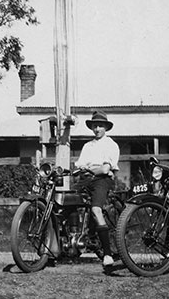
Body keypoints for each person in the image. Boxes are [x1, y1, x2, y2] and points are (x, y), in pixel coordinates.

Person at [73, 110, 120, 267]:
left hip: (102, 181)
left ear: (105, 127)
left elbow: (105, 170)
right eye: (94, 126)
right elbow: (79, 166)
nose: (97, 129)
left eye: (100, 126)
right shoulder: (88, 146)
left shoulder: (111, 145)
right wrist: (92, 167)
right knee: (66, 201)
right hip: (86, 180)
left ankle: (107, 254)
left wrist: (91, 167)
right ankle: (71, 242)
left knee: (96, 210)